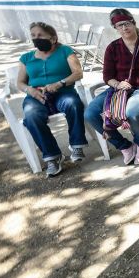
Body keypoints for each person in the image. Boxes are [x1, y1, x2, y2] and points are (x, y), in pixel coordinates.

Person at [83, 9, 139, 165]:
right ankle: (124, 146)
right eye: (119, 26)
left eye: (127, 24)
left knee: (133, 111)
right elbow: (107, 76)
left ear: (133, 23)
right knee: (90, 113)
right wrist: (118, 84)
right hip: (118, 90)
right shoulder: (113, 48)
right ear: (115, 28)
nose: (124, 28)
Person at [17, 22, 88, 177]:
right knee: (31, 117)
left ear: (53, 38)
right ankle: (53, 157)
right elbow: (20, 83)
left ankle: (76, 145)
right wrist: (30, 90)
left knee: (73, 104)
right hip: (36, 96)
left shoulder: (65, 51)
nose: (36, 38)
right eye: (34, 36)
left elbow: (78, 73)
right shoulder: (26, 58)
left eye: (40, 35)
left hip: (63, 92)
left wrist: (59, 83)